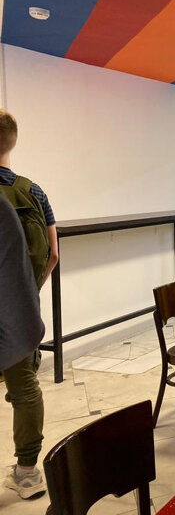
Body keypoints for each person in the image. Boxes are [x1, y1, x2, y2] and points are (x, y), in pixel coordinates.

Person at [0, 108, 58, 500]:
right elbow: (52, 253)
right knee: (25, 388)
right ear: (13, 142)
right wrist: (29, 291)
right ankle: (27, 473)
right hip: (17, 308)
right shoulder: (33, 191)